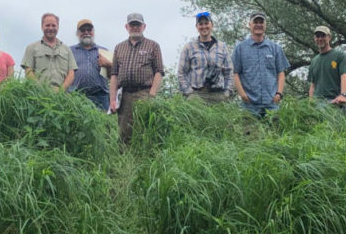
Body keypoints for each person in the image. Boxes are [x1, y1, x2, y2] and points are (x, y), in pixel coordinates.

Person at [109, 12, 164, 145]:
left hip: (144, 93)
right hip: (125, 95)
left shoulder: (153, 46)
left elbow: (159, 72)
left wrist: (152, 95)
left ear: (144, 26)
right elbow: (114, 74)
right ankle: (124, 162)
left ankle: (144, 161)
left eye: (137, 25)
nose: (135, 27)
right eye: (132, 25)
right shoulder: (119, 47)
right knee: (124, 132)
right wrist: (112, 99)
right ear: (126, 27)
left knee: (144, 129)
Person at [232, 12, 289, 117]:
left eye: (261, 22)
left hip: (272, 104)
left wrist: (279, 94)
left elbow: (281, 73)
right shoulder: (240, 48)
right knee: (250, 133)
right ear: (250, 25)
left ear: (265, 25)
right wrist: (243, 95)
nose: (258, 25)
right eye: (255, 22)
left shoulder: (275, 48)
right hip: (249, 105)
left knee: (274, 133)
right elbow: (235, 73)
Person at [177, 10, 233, 103]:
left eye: (206, 23)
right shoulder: (189, 47)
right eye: (201, 24)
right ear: (197, 27)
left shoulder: (222, 47)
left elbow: (229, 72)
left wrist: (227, 92)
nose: (204, 27)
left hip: (218, 94)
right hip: (196, 95)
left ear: (212, 25)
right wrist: (189, 93)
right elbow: (181, 72)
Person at [21, 13, 76, 91]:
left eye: (53, 25)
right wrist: (42, 89)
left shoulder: (67, 49)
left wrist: (61, 90)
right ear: (42, 27)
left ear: (58, 27)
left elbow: (71, 73)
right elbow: (28, 71)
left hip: (62, 96)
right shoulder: (31, 47)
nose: (50, 28)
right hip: (39, 95)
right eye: (47, 25)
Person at [69, 19, 112, 111]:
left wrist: (108, 64)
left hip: (100, 97)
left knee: (102, 124)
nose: (86, 32)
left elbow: (111, 76)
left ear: (93, 32)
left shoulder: (104, 51)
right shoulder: (70, 51)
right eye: (83, 30)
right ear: (77, 33)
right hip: (77, 96)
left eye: (89, 30)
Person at [307, 25, 346, 106]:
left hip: (335, 101)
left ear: (329, 37)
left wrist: (343, 95)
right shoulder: (314, 61)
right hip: (317, 103)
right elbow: (313, 85)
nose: (320, 39)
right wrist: (310, 102)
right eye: (317, 36)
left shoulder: (339, 55)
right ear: (314, 39)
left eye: (323, 36)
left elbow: (344, 76)